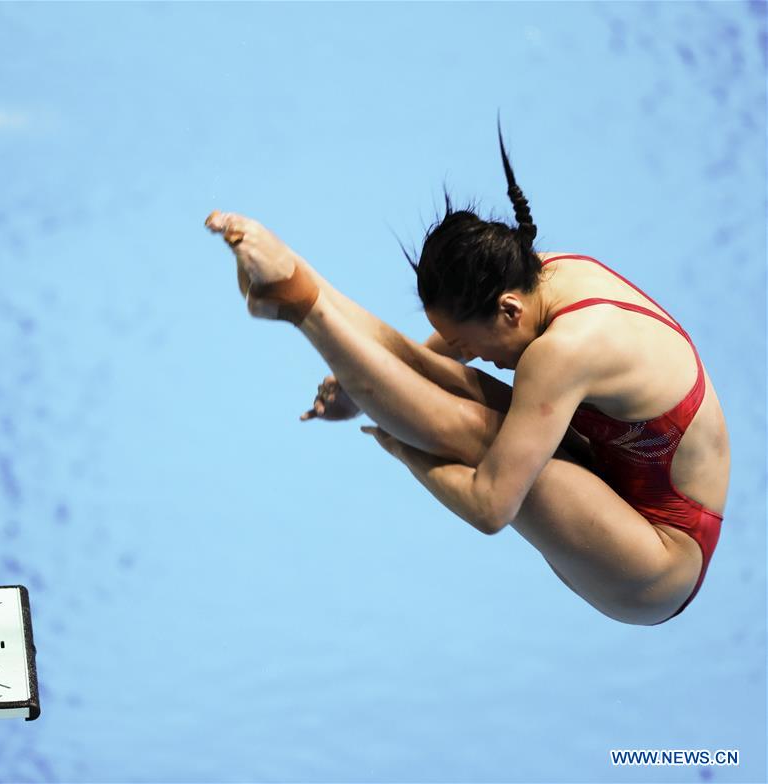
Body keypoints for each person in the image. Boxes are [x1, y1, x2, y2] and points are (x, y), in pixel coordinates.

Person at [204, 121, 730, 626]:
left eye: (468, 342)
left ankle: (302, 306)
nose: (465, 353)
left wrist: (401, 443)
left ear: (507, 311)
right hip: (616, 477)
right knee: (440, 379)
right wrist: (370, 392)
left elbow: (489, 506)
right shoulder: (543, 272)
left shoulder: (564, 352)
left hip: (657, 566)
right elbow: (430, 360)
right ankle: (298, 282)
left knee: (479, 435)